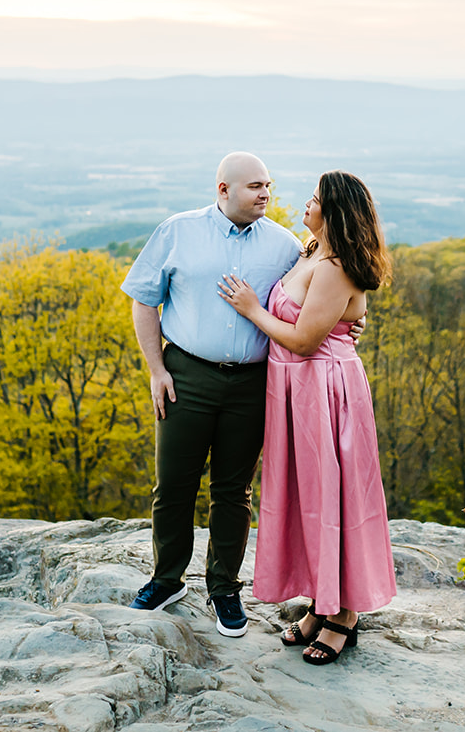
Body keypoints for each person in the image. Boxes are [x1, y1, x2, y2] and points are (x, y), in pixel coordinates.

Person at [119, 152, 306, 637]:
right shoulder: (177, 231)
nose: (265, 194)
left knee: (233, 491)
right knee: (174, 486)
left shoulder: (285, 245)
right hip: (186, 375)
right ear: (223, 189)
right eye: (254, 187)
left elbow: (311, 296)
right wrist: (156, 370)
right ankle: (167, 580)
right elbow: (143, 300)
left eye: (269, 186)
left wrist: (353, 316)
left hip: (251, 384)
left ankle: (223, 588)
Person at [217, 169, 398, 665]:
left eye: (314, 199)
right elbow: (332, 316)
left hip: (324, 391)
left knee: (332, 497)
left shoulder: (334, 265)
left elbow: (303, 339)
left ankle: (345, 617)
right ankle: (322, 601)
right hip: (294, 390)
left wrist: (252, 309)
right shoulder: (309, 251)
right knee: (306, 497)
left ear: (333, 211)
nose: (305, 204)